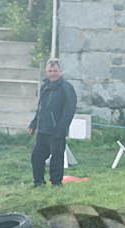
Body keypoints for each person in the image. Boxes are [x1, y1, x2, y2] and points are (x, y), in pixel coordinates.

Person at [28, 58, 77, 187]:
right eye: (50, 71)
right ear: (46, 71)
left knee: (57, 159)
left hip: (57, 131)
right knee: (36, 157)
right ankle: (38, 182)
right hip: (42, 130)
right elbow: (40, 108)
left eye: (55, 71)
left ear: (60, 71)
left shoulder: (67, 88)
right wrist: (34, 124)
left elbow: (69, 111)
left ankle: (56, 183)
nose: (52, 73)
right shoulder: (44, 87)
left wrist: (61, 129)